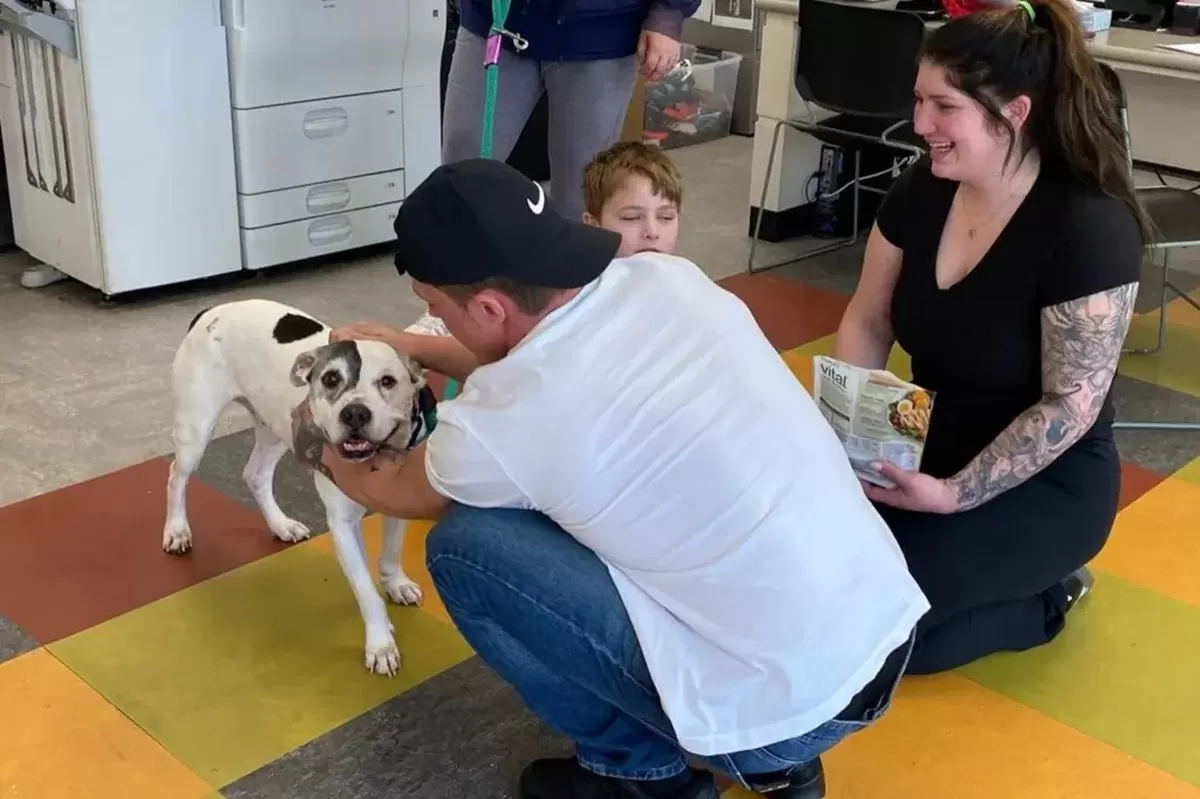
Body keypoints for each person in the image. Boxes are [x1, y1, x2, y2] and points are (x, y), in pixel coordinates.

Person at [298, 157, 930, 799]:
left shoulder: (500, 426)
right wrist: (416, 350)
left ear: (488, 306)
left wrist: (304, 420)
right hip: (885, 627)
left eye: (433, 309)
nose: (432, 322)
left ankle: (641, 775)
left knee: (468, 546)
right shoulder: (664, 277)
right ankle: (777, 750)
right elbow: (537, 360)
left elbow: (387, 485)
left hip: (783, 719)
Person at [832, 0, 1147, 676]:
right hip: (929, 442)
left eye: (943, 107)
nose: (920, 126)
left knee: (884, 638)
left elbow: (1070, 406)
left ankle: (1050, 594)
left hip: (1047, 481)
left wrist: (952, 495)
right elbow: (868, 319)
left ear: (1015, 112)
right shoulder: (922, 190)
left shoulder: (1089, 227)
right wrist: (848, 448)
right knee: (816, 582)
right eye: (917, 100)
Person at [443, 0, 699, 222]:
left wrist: (669, 11)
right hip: (498, 23)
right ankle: (453, 276)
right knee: (461, 180)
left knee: (581, 198)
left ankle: (573, 278)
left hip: (601, 34)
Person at [582, 140, 684, 257]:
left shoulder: (689, 274)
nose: (652, 232)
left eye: (666, 217)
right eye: (631, 218)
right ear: (593, 226)